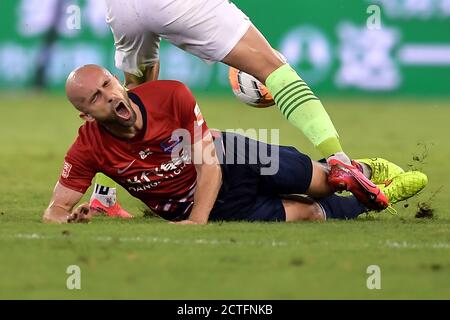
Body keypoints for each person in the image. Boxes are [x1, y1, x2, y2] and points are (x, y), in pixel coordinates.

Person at [87, 0, 390, 218]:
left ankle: (107, 196)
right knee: (274, 69)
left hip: (122, 7)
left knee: (133, 98)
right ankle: (339, 161)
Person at [42, 65, 427, 224]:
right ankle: (375, 198)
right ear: (87, 116)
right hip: (204, 204)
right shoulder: (88, 147)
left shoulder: (170, 96)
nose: (108, 96)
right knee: (309, 215)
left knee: (326, 182)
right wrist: (69, 219)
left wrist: (197, 224)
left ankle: (358, 170)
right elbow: (55, 210)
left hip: (231, 158)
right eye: (94, 98)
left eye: (108, 84)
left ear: (119, 82)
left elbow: (209, 163)